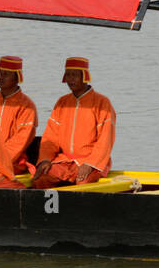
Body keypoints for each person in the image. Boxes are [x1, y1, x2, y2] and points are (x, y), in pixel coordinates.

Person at [32, 58, 115, 188]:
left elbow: (105, 140)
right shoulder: (62, 102)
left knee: (82, 183)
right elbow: (50, 136)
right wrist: (45, 159)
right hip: (64, 161)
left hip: (91, 162)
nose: (71, 79)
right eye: (68, 75)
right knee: (41, 178)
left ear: (85, 76)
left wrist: (90, 164)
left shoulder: (102, 103)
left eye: (75, 75)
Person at [0, 56, 37, 174]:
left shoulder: (26, 106)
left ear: (17, 78)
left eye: (6, 74)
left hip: (13, 162)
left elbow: (19, 141)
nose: (1, 77)